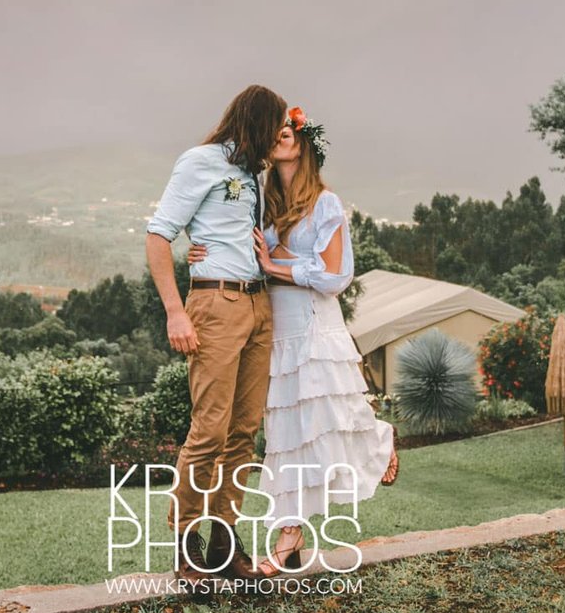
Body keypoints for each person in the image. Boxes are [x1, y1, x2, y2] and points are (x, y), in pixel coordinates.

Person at [188, 105, 398, 577]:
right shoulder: (262, 203)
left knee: (328, 417)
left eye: (289, 131)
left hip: (314, 324)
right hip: (273, 326)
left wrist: (276, 266)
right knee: (285, 435)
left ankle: (379, 441)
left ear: (304, 145)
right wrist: (199, 251)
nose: (281, 137)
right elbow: (237, 244)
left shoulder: (326, 203)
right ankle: (292, 535)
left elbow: (336, 277)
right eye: (277, 132)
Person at [144, 84, 288, 582]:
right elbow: (159, 235)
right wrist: (175, 312)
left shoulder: (253, 173)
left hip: (258, 302)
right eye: (277, 129)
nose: (280, 139)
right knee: (210, 430)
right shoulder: (200, 161)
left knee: (244, 432)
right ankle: (187, 543)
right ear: (257, 124)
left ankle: (225, 542)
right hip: (215, 303)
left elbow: (305, 154)